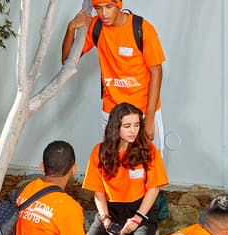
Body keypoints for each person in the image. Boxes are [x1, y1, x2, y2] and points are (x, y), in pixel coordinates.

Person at [61, 0, 166, 153]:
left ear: (118, 5)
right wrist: (71, 28)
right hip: (112, 110)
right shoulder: (96, 27)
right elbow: (67, 61)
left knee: (149, 164)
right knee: (115, 162)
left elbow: (157, 72)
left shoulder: (142, 29)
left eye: (108, 7)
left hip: (143, 110)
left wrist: (149, 118)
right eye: (98, 8)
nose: (103, 13)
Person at [83, 102, 169, 235]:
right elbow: (98, 191)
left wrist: (137, 219)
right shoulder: (99, 151)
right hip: (112, 211)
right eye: (127, 126)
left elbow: (154, 188)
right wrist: (105, 218)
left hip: (142, 210)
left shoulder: (148, 150)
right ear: (116, 127)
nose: (133, 130)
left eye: (136, 125)